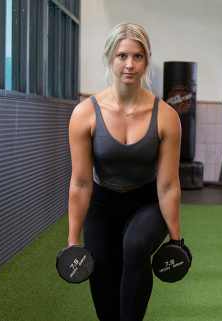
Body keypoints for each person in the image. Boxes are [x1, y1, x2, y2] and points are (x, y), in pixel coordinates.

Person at [67, 21, 191, 320]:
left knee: (135, 246)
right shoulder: (85, 114)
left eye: (137, 56)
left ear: (146, 60)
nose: (129, 64)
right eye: (122, 56)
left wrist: (176, 240)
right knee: (103, 284)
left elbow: (168, 185)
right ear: (110, 58)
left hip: (146, 202)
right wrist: (73, 241)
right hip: (103, 202)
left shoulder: (166, 116)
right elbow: (82, 183)